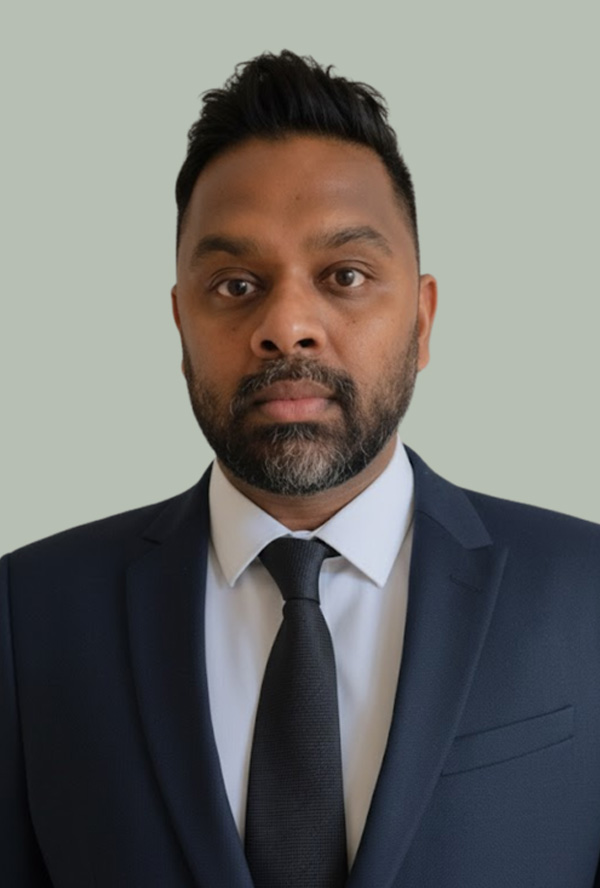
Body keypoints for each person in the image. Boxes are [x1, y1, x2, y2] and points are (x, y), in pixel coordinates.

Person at [1, 50, 599, 888]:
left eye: (345, 275)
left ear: (422, 321)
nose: (286, 325)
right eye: (235, 284)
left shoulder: (586, 591)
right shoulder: (28, 612)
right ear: (180, 327)